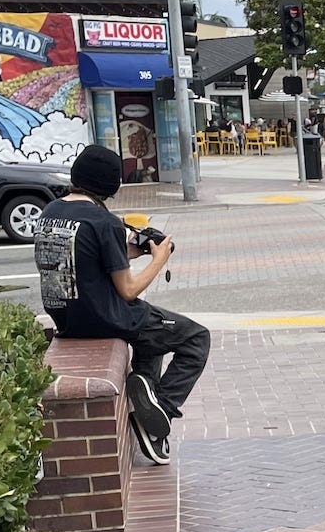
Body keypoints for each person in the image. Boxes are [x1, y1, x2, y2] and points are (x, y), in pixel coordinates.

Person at [33, 145, 211, 466]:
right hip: (106, 317)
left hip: (68, 319)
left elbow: (87, 256)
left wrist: (136, 249)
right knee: (195, 338)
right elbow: (127, 290)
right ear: (111, 184)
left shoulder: (50, 213)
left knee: (154, 339)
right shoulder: (104, 221)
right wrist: (158, 258)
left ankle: (149, 410)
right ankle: (161, 414)